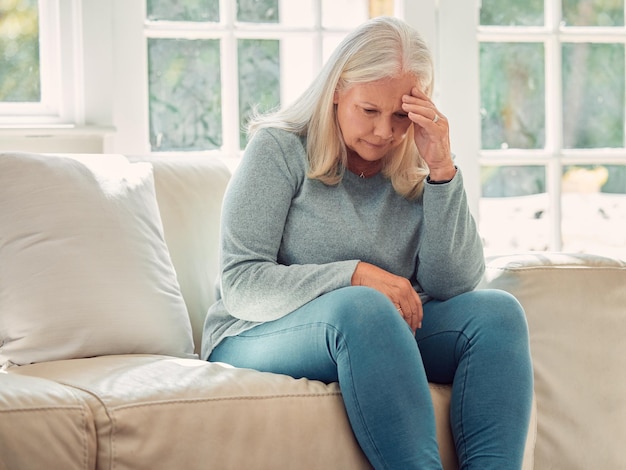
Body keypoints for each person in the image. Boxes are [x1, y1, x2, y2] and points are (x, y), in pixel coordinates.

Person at [201, 16, 533, 470]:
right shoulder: (278, 149)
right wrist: (355, 275)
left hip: (379, 332)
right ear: (337, 90)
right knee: (363, 306)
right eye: (369, 111)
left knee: (498, 314)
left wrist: (441, 170)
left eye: (400, 115)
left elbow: (452, 282)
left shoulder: (418, 162)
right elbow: (241, 283)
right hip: (253, 332)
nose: (383, 132)